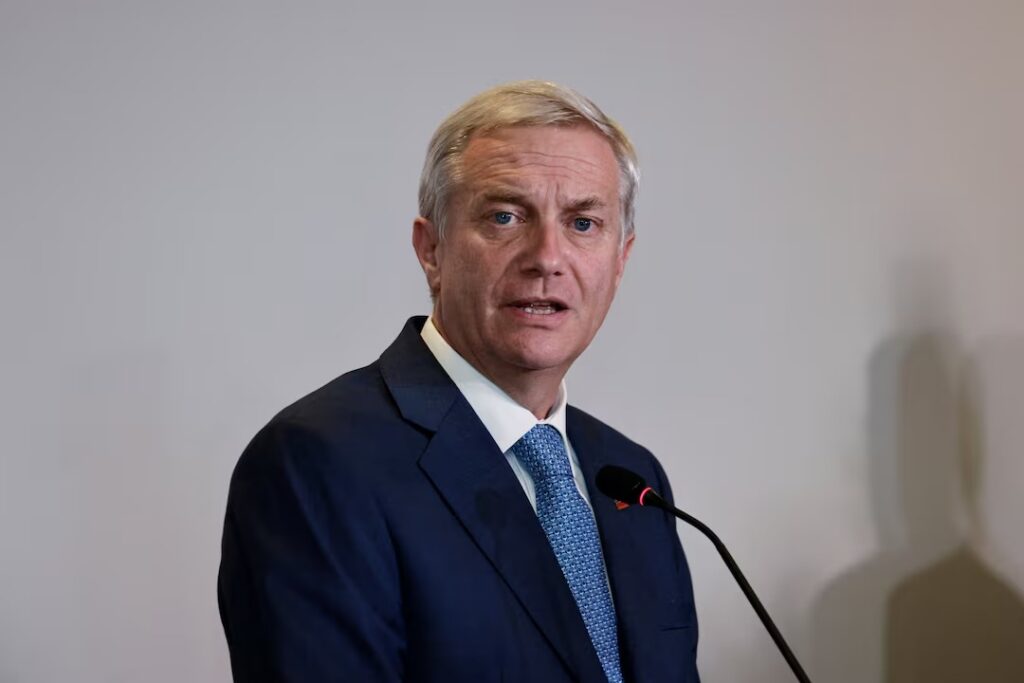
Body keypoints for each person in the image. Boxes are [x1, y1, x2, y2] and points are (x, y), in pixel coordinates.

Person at [218, 80, 700, 682]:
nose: (547, 257)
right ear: (432, 250)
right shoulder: (317, 463)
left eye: (583, 223)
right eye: (505, 217)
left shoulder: (631, 476)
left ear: (620, 259)